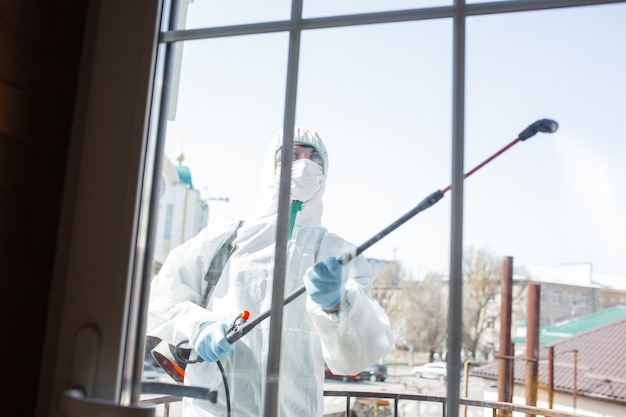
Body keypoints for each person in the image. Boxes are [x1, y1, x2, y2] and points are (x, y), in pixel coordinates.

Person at [146, 126, 394, 417]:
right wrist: (197, 326)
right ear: (271, 166)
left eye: (315, 158)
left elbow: (357, 357)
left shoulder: (337, 254)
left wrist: (339, 305)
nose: (304, 164)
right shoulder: (227, 238)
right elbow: (160, 300)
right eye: (292, 155)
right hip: (213, 409)